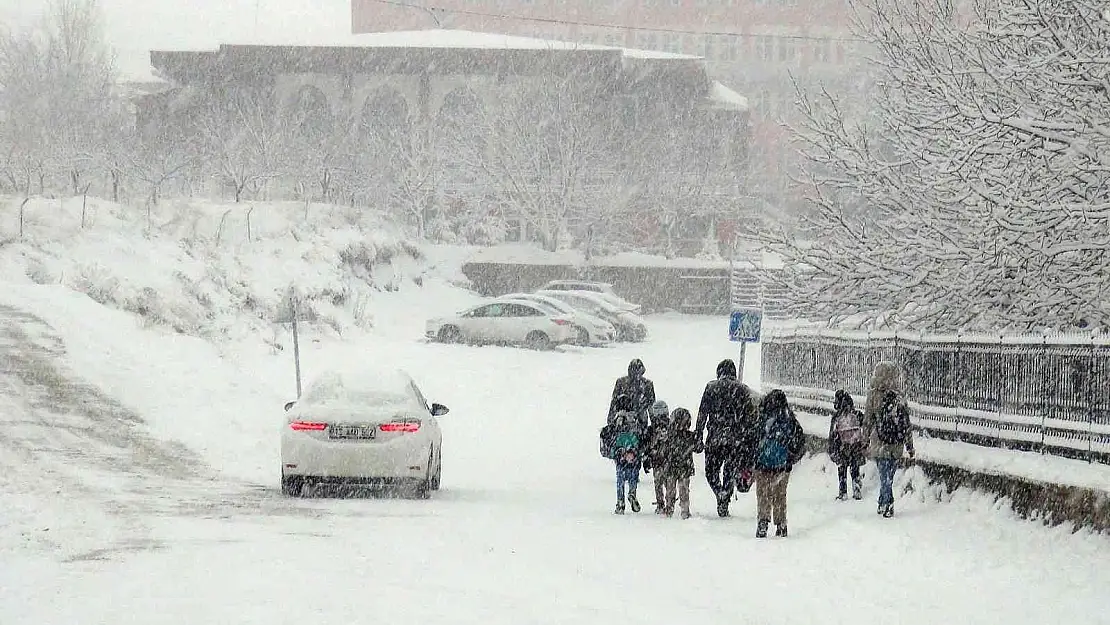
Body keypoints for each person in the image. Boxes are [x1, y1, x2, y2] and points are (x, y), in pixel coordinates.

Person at [695, 358, 759, 517]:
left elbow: (702, 414)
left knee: (711, 471)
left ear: (719, 372)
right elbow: (749, 418)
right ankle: (726, 492)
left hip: (715, 437)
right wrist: (749, 439)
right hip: (735, 439)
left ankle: (719, 492)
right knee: (730, 470)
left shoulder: (711, 387)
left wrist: (698, 434)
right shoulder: (743, 389)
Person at [862, 361, 916, 518]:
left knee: (884, 474)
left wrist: (864, 441)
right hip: (896, 443)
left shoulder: (873, 395)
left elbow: (867, 420)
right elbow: (906, 423)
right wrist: (909, 446)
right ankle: (884, 502)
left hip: (879, 441)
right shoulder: (900, 396)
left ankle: (886, 502)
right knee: (889, 475)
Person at [753, 389, 806, 538]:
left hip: (763, 463)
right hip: (782, 464)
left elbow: (753, 439)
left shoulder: (763, 418)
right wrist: (791, 457)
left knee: (763, 494)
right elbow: (800, 441)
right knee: (779, 495)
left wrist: (754, 457)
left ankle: (763, 521)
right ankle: (781, 524)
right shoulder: (789, 419)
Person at [606, 393, 644, 515]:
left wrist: (616, 451)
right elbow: (640, 435)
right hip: (634, 450)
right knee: (633, 476)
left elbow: (612, 437)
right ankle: (632, 492)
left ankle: (620, 502)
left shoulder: (617, 419)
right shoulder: (635, 419)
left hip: (620, 451)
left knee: (620, 479)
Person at [658, 407, 698, 519]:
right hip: (682, 466)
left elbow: (663, 451)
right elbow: (698, 448)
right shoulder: (688, 436)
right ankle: (681, 510)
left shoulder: (671, 436)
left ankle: (672, 509)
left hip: (673, 466)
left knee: (673, 490)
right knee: (681, 490)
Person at [828, 389, 866, 501]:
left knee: (842, 469)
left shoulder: (837, 417)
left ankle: (843, 492)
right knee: (855, 469)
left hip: (842, 446)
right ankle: (857, 490)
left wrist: (832, 448)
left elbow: (833, 434)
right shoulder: (856, 414)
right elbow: (865, 425)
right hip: (855, 445)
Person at [608, 358, 656, 432]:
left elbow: (652, 407)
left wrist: (655, 424)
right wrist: (611, 422)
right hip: (623, 421)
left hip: (640, 422)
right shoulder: (621, 383)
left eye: (639, 373)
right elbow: (614, 403)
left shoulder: (648, 384)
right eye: (635, 373)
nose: (637, 376)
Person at [642, 400, 671, 514]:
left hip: (657, 459)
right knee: (668, 482)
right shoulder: (671, 425)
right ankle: (669, 503)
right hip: (667, 459)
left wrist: (646, 458)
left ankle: (661, 505)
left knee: (658, 483)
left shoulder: (651, 429)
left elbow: (646, 446)